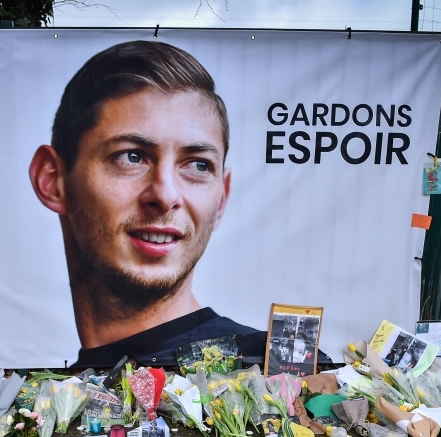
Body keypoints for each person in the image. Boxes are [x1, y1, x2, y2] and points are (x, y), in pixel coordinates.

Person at [29, 40, 267, 367]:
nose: (166, 196)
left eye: (198, 165)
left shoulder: (276, 375)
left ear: (222, 198)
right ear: (53, 179)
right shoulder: (40, 396)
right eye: (131, 157)